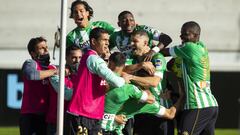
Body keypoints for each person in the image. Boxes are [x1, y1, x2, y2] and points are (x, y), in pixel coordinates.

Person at [67, 28, 132, 135]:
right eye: (104, 40)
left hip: (93, 115)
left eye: (108, 40)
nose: (107, 43)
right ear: (93, 41)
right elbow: (117, 82)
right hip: (82, 114)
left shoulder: (92, 58)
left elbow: (102, 87)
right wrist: (124, 79)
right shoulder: (93, 59)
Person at [101, 52, 180, 135]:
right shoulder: (132, 91)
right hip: (108, 128)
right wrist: (182, 97)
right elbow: (168, 113)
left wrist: (132, 74)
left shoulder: (103, 79)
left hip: (100, 126)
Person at [161, 21, 218, 135]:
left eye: (185, 34)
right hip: (211, 106)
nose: (181, 36)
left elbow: (164, 52)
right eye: (181, 33)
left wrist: (152, 48)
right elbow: (170, 66)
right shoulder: (200, 47)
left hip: (198, 105)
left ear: (196, 36)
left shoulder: (189, 47)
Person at [128, 30, 183, 135]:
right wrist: (139, 66)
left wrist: (131, 77)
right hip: (141, 112)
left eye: (134, 41)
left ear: (145, 43)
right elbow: (118, 70)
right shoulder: (133, 61)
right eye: (130, 41)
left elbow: (154, 82)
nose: (131, 44)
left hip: (160, 111)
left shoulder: (157, 58)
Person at [19, 37, 58, 135]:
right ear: (32, 53)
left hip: (47, 116)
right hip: (31, 116)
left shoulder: (52, 67)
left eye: (46, 47)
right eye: (41, 48)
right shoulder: (31, 63)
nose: (46, 50)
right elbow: (31, 75)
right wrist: (55, 72)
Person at [45, 45, 83, 135]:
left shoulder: (82, 75)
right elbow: (67, 95)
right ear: (65, 57)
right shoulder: (54, 70)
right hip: (56, 121)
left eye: (80, 57)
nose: (77, 61)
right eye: (74, 57)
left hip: (75, 121)